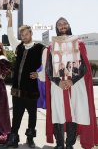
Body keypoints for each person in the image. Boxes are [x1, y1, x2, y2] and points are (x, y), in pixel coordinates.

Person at [45, 17, 98, 149]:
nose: (62, 26)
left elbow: (84, 66)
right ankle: (59, 144)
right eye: (59, 24)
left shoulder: (79, 43)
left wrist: (71, 80)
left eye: (64, 23)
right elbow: (48, 68)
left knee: (74, 113)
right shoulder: (51, 46)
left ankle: (69, 144)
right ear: (56, 28)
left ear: (69, 25)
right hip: (58, 85)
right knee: (58, 113)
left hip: (75, 84)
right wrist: (58, 82)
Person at [3, 10, 46, 148]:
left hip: (31, 90)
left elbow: (48, 65)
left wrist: (39, 75)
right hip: (17, 90)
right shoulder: (19, 47)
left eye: (26, 34)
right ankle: (13, 138)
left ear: (31, 34)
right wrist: (10, 18)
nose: (24, 36)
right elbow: (10, 34)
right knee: (16, 116)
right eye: (22, 34)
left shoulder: (40, 48)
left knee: (32, 116)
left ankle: (30, 139)